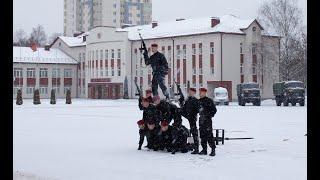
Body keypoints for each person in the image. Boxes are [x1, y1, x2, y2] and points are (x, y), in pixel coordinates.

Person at [180, 87, 201, 154]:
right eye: (189, 92)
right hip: (188, 116)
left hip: (192, 118)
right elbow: (184, 109)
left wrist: (193, 114)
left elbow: (198, 110)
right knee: (193, 131)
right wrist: (181, 102)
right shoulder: (188, 100)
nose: (190, 93)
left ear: (194, 93)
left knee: (194, 132)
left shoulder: (195, 100)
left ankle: (196, 148)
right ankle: (194, 146)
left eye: (191, 92)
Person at [198, 88, 217, 156]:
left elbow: (214, 110)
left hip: (207, 120)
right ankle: (204, 149)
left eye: (201, 92)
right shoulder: (199, 101)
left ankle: (213, 149)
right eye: (200, 92)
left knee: (209, 135)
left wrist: (208, 115)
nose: (200, 93)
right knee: (202, 135)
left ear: (205, 93)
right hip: (201, 120)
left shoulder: (209, 101)